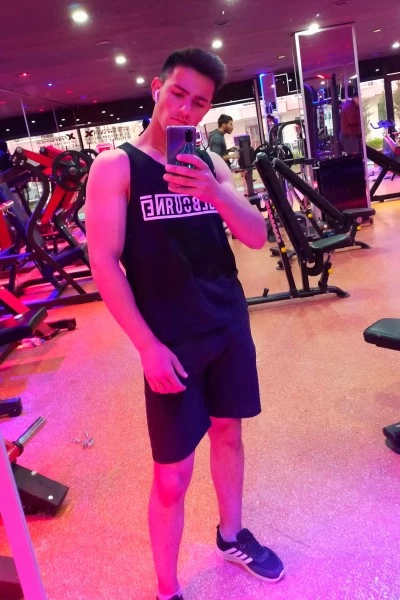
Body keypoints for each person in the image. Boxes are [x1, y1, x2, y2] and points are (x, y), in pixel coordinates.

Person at [85, 47, 284, 600]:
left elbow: (255, 236)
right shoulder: (116, 167)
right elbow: (104, 263)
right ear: (157, 88)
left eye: (198, 103)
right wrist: (145, 346)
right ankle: (167, 589)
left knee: (229, 433)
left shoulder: (210, 164)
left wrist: (213, 192)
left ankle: (231, 536)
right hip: (171, 341)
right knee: (172, 474)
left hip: (227, 325)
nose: (185, 109)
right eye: (178, 94)